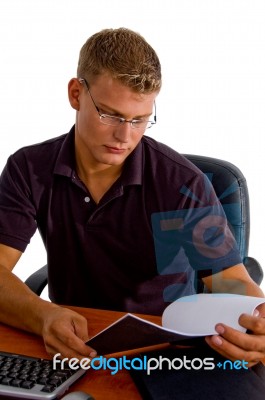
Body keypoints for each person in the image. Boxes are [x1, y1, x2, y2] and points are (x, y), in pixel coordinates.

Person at [0, 28, 264, 368]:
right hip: (71, 344)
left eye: (139, 120)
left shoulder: (182, 183)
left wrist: (258, 318)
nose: (124, 137)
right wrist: (43, 315)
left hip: (162, 352)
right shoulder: (29, 168)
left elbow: (230, 280)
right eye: (110, 115)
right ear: (76, 93)